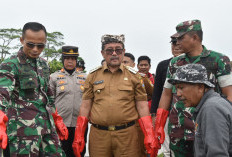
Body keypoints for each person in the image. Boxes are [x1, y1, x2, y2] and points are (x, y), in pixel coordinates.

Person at [153, 19, 232, 156]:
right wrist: (159, 124)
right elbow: (166, 94)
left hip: (206, 127)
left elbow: (229, 95)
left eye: (181, 38)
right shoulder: (175, 62)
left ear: (195, 37)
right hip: (178, 129)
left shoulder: (219, 60)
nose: (177, 43)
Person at [72, 34, 157, 157]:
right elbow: (85, 106)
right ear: (102, 53)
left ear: (123, 52)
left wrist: (149, 134)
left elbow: (142, 106)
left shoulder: (135, 76)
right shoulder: (93, 75)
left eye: (118, 50)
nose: (114, 53)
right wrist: (79, 134)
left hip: (127, 135)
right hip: (99, 136)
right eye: (109, 50)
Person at [0, 22, 68, 156]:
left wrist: (56, 117)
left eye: (40, 45)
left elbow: (48, 93)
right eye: (30, 44)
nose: (35, 49)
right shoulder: (10, 64)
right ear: (21, 40)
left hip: (47, 126)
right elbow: (2, 95)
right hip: (23, 132)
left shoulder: (44, 64)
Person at [168, 64, 232, 157]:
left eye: (181, 87)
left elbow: (217, 154)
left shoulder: (212, 109)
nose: (178, 94)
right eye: (176, 88)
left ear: (200, 87)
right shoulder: (209, 104)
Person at [50, 46, 87, 157]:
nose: (70, 61)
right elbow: (49, 101)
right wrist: (55, 120)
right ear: (63, 60)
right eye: (67, 58)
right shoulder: (54, 77)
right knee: (60, 152)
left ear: (76, 60)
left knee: (79, 152)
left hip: (79, 125)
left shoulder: (86, 77)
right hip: (61, 124)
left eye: (73, 59)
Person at [150, 37, 184, 157]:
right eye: (173, 43)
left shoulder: (195, 64)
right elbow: (157, 91)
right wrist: (154, 114)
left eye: (179, 43)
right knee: (167, 148)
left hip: (189, 114)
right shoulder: (164, 65)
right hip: (167, 113)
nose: (176, 46)